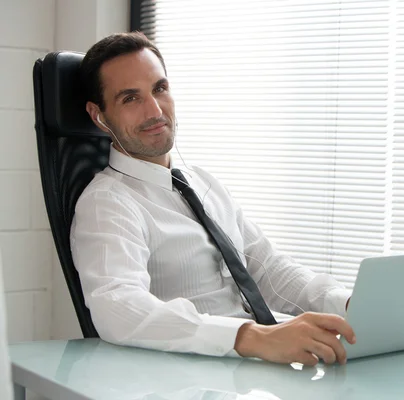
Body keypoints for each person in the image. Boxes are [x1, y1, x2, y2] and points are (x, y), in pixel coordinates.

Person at [71, 32, 355, 366]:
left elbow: (268, 268)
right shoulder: (108, 203)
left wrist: (348, 305)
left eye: (159, 89)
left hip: (254, 369)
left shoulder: (203, 183)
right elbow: (117, 307)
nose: (154, 110)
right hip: (192, 377)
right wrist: (251, 337)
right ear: (98, 116)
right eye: (130, 98)